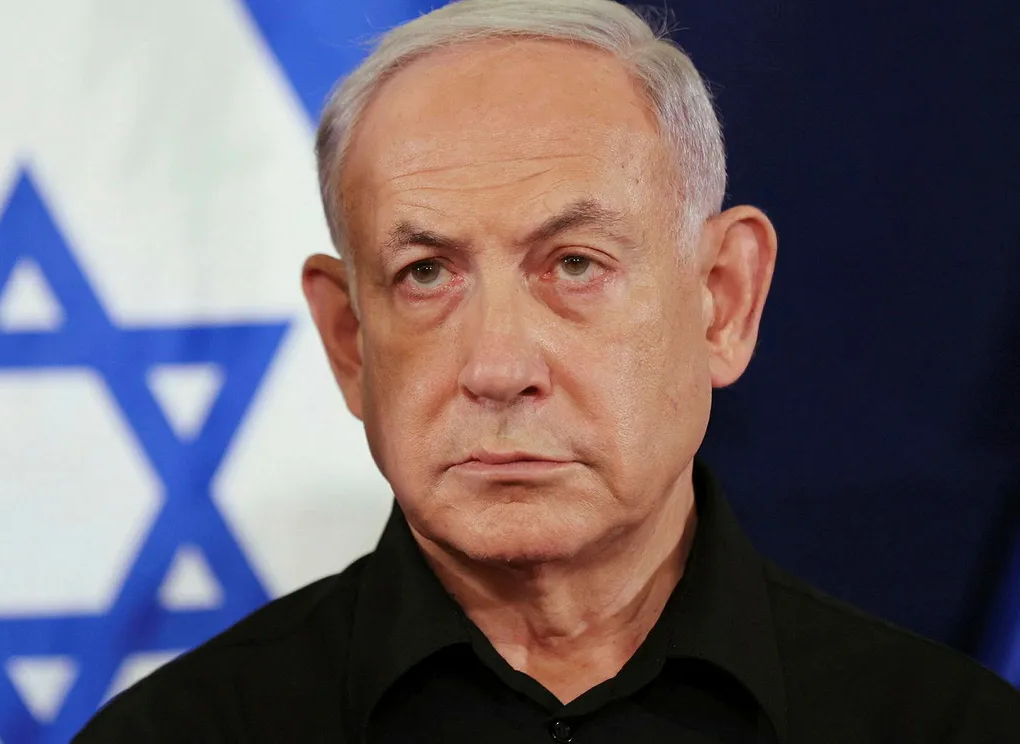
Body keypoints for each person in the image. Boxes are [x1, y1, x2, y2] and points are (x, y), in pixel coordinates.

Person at [76, 0, 1020, 741]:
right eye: (426, 274)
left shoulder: (943, 727)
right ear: (350, 341)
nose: (496, 366)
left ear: (721, 301)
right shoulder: (181, 732)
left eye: (575, 264)